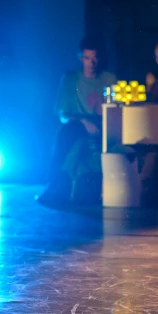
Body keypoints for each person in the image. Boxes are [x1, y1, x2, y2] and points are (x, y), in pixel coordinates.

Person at [39, 38, 116, 204]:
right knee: (66, 133)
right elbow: (63, 114)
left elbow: (116, 106)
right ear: (81, 58)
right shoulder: (71, 79)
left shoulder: (108, 78)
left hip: (105, 123)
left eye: (94, 58)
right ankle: (54, 182)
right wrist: (83, 121)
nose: (91, 63)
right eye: (87, 58)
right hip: (80, 123)